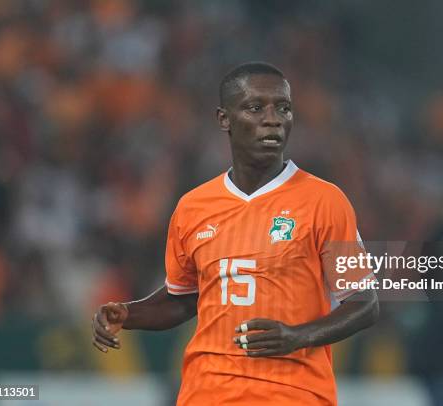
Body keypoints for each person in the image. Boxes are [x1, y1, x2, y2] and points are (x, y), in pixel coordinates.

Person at [92, 62, 379, 405]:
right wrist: (129, 313)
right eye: (255, 108)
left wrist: (297, 336)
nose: (272, 119)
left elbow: (364, 304)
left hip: (292, 394)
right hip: (205, 394)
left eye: (283, 108)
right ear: (224, 119)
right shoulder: (193, 207)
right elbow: (184, 298)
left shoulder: (324, 201)